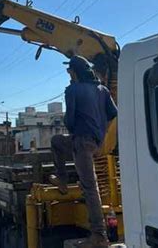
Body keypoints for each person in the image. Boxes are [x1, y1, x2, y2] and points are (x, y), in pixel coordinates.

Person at [49, 55, 117, 248]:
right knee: (57, 141)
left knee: (90, 187)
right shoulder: (103, 90)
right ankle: (62, 178)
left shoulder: (73, 90)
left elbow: (69, 121)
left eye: (69, 71)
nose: (68, 74)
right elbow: (113, 114)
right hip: (95, 142)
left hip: (81, 142)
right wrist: (100, 130)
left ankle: (99, 235)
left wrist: (77, 131)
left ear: (75, 72)